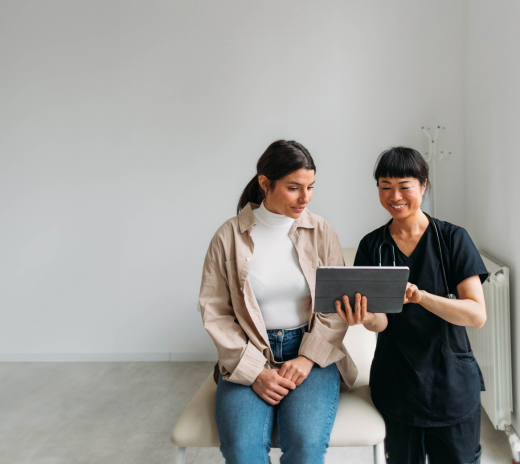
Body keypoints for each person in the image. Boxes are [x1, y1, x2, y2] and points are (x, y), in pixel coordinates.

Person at [199, 140, 357, 464]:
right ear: (265, 183)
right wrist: (255, 371)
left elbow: (334, 306)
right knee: (242, 452)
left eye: (310, 187)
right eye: (294, 188)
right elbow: (215, 312)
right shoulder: (228, 236)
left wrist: (308, 358)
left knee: (305, 448)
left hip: (309, 351)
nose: (305, 198)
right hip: (248, 351)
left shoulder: (321, 231)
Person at [335, 147, 488, 464]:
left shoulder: (452, 240)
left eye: (404, 186)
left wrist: (420, 296)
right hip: (398, 382)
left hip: (452, 383)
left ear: (423, 185)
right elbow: (381, 323)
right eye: (385, 186)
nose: (395, 196)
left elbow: (476, 315)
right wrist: (363, 317)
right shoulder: (372, 246)